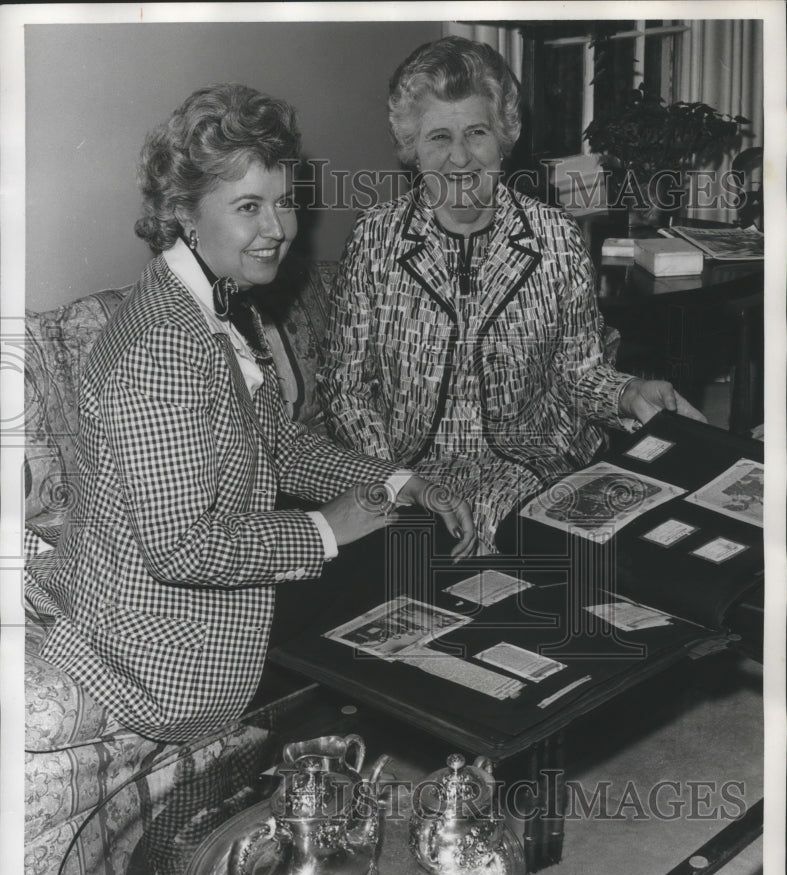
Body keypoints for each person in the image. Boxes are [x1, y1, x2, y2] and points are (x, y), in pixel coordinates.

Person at [32, 84, 475, 743]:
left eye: (284, 201)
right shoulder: (163, 348)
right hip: (163, 648)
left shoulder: (211, 305)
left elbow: (281, 446)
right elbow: (181, 549)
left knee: (415, 531)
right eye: (248, 207)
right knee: (411, 559)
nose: (278, 229)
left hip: (190, 591)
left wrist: (395, 481)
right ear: (185, 213)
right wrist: (326, 529)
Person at [318, 36, 706, 553]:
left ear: (505, 137)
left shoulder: (553, 237)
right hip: (410, 476)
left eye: (476, 132)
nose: (459, 157)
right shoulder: (375, 239)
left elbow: (580, 373)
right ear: (412, 149)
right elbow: (346, 385)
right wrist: (393, 482)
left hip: (533, 468)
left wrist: (628, 393)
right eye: (438, 137)